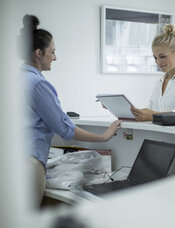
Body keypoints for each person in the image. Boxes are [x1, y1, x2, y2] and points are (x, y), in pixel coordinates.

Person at [19, 15, 122, 208]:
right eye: (53, 52)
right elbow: (66, 130)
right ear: (38, 53)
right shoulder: (38, 83)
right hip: (29, 165)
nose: (55, 57)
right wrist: (104, 136)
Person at [130, 24, 175, 121]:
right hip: (157, 135)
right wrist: (131, 112)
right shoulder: (159, 82)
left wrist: (154, 116)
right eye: (155, 57)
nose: (158, 62)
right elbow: (150, 112)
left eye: (163, 56)